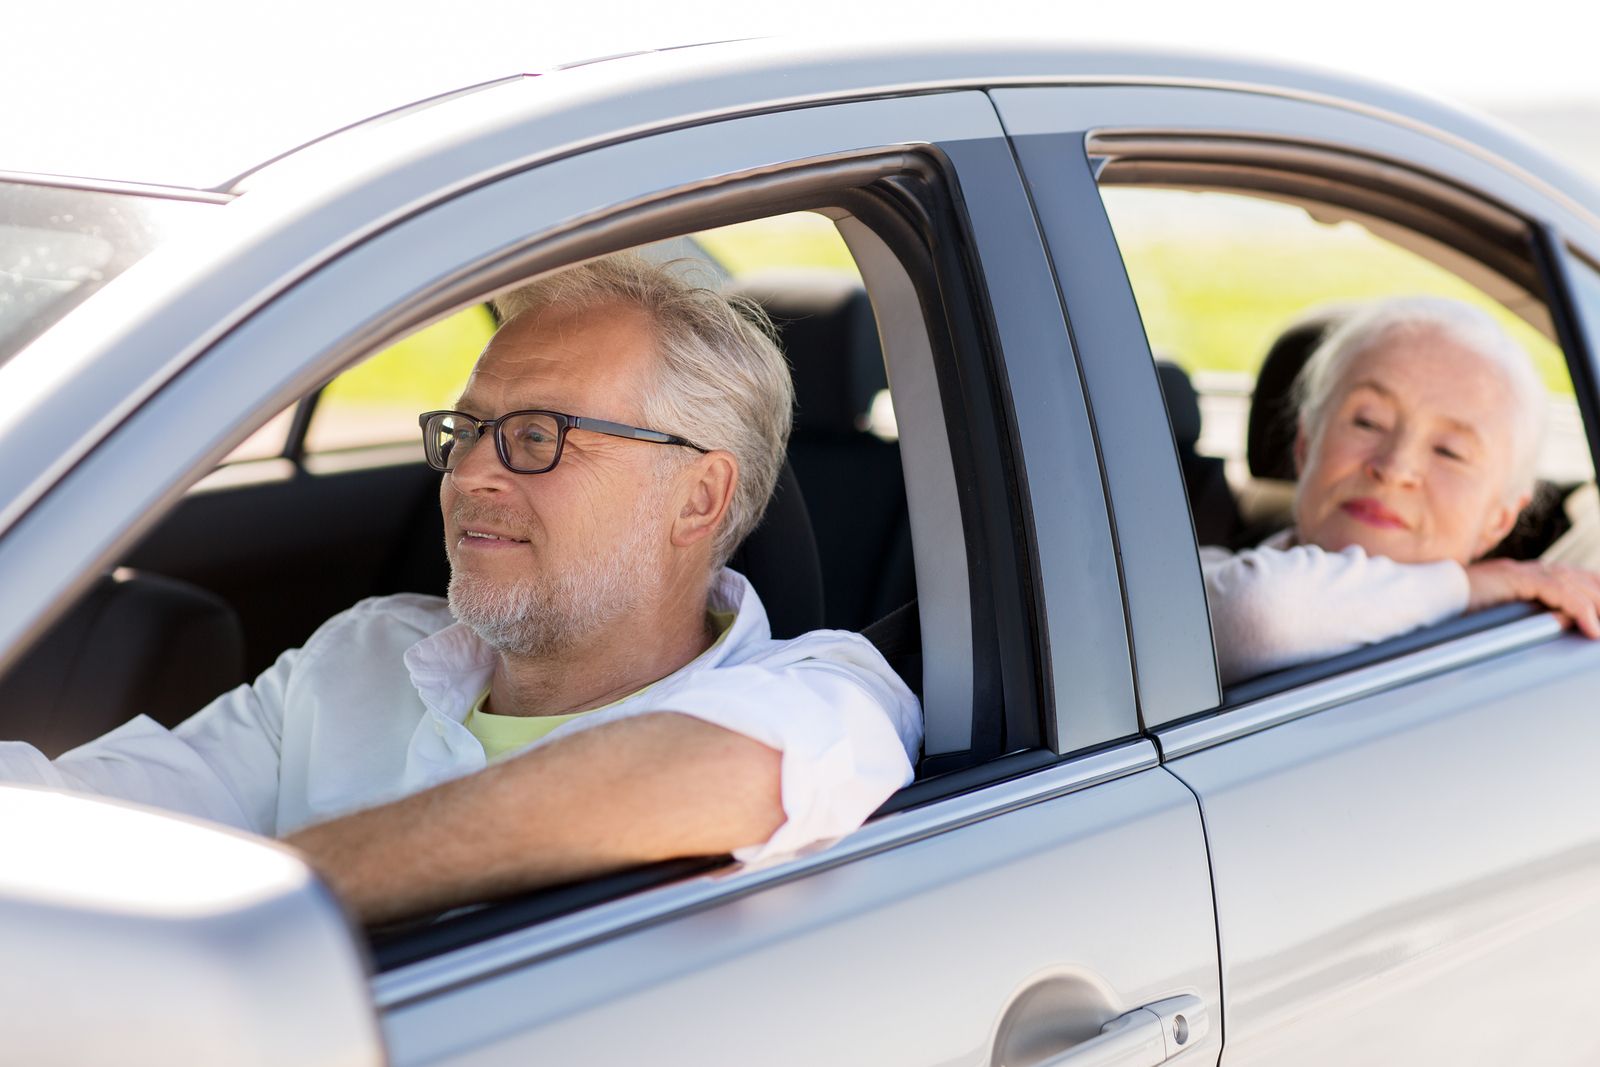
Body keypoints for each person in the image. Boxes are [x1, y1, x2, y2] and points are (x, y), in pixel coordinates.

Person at [0, 253, 922, 924]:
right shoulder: (364, 653)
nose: (471, 473)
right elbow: (95, 805)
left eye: (536, 436)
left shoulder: (825, 689)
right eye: (467, 429)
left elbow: (734, 775)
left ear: (699, 496)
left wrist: (275, 905)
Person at [1204, 296, 1600, 685]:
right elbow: (1259, 612)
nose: (1394, 469)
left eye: (1449, 451)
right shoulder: (1196, 576)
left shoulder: (1507, 668)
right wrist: (1467, 587)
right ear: (1305, 446)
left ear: (1498, 520)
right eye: (1367, 422)